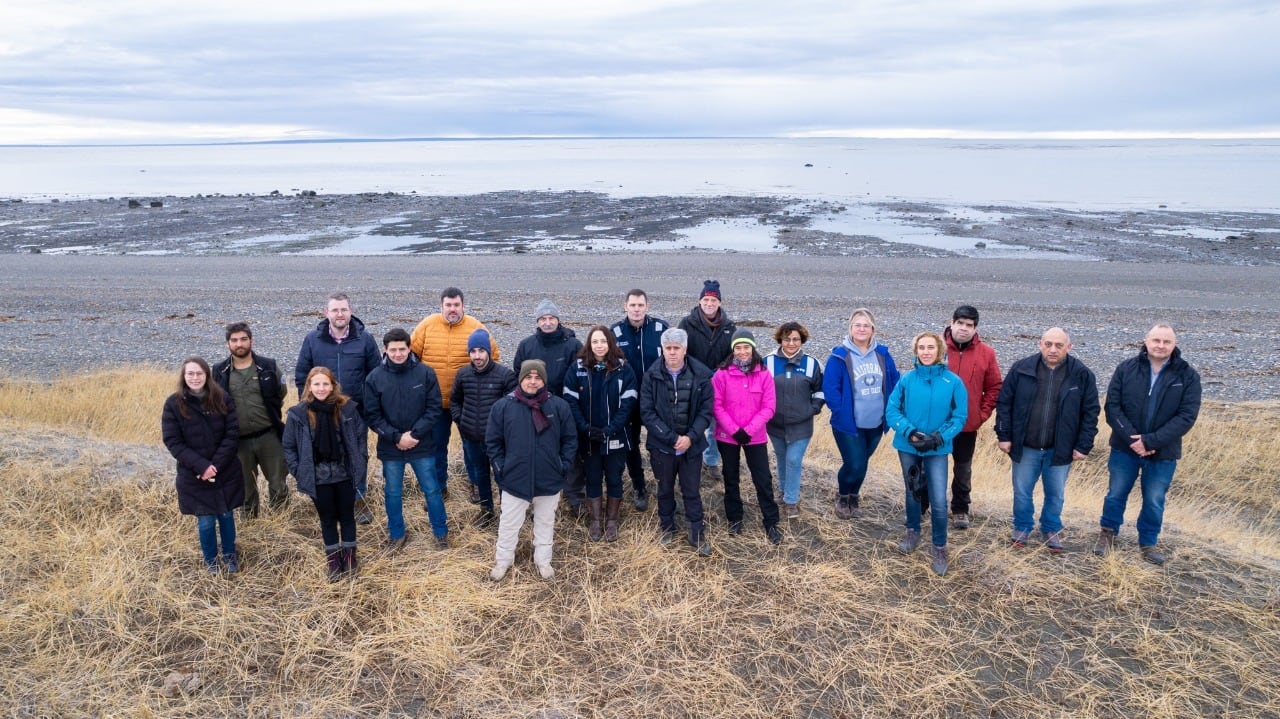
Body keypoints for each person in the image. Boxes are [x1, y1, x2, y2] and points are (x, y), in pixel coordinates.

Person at [1093, 324, 1201, 565]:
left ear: (1174, 344)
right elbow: (1112, 408)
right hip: (1125, 448)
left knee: (1154, 498)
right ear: (1146, 341)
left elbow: (1187, 416)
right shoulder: (1126, 369)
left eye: (1166, 342)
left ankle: (1148, 542)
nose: (1161, 345)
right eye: (1156, 340)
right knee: (1116, 493)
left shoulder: (1188, 375)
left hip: (1163, 452)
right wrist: (1134, 440)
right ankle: (1108, 534)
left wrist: (1150, 441)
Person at [995, 327, 1099, 552]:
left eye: (1059, 345)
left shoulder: (1082, 374)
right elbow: (1004, 403)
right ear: (1040, 344)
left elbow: (1090, 412)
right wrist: (1004, 435)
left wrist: (1083, 445)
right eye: (1048, 344)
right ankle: (1022, 527)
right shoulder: (1021, 369)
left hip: (1059, 448)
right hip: (1026, 446)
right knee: (1022, 491)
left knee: (1055, 493)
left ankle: (1051, 529)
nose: (1053, 349)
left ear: (1068, 347)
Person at [485, 360, 577, 581]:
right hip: (514, 479)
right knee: (509, 523)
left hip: (549, 479)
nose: (533, 381)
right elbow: (493, 442)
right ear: (521, 379)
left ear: (543, 381)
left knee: (545, 522)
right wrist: (501, 469)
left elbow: (570, 440)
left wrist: (562, 466)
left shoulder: (558, 406)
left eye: (538, 378)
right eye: (528, 377)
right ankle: (503, 561)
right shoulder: (504, 407)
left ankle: (543, 560)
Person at [886, 332, 968, 576]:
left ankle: (940, 546)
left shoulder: (953, 382)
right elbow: (892, 410)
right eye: (921, 347)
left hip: (937, 449)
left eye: (931, 347)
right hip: (908, 447)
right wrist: (910, 433)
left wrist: (939, 437)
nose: (926, 351)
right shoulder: (906, 380)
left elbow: (959, 417)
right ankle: (913, 531)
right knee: (913, 491)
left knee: (939, 500)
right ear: (916, 351)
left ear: (940, 350)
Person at [295, 292, 381, 524]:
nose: (339, 314)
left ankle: (358, 502)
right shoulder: (313, 340)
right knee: (327, 458)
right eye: (335, 310)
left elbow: (376, 377)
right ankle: (332, 505)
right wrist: (309, 409)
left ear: (350, 311)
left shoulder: (365, 339)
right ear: (326, 313)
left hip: (355, 414)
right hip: (323, 415)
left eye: (343, 309)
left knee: (358, 458)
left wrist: (369, 410)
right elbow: (302, 375)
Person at [410, 287, 500, 502]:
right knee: (437, 447)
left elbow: (493, 356)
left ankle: (477, 485)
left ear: (463, 306)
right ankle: (439, 487)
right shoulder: (427, 326)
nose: (452, 309)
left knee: (472, 447)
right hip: (434, 402)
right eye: (448, 305)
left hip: (468, 402)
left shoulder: (476, 327)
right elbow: (411, 355)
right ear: (441, 306)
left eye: (456, 305)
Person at [363, 328, 447, 552]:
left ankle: (440, 533)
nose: (398, 354)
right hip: (391, 447)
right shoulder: (374, 378)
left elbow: (434, 408)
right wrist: (396, 437)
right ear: (385, 350)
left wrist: (415, 434)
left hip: (422, 444)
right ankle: (397, 534)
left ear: (410, 348)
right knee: (392, 492)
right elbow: (372, 415)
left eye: (402, 349)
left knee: (431, 490)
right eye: (393, 350)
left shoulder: (425, 373)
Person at [162, 357, 247, 575]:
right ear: (184, 376)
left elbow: (232, 433)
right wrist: (201, 467)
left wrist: (215, 465)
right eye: (190, 373)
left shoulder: (221, 399)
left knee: (227, 516)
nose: (195, 377)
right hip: (194, 476)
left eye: (199, 373)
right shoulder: (173, 404)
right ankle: (211, 560)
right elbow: (173, 442)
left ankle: (229, 555)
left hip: (225, 470)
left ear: (207, 375)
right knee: (206, 520)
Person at [284, 366, 368, 582]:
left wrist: (360, 462)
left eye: (325, 384)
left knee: (347, 516)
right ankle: (333, 561)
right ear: (309, 386)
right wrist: (299, 472)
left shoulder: (347, 409)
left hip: (344, 474)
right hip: (318, 478)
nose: (321, 388)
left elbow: (360, 437)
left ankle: (350, 558)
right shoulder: (298, 414)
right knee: (327, 519)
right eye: (316, 384)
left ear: (333, 386)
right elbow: (289, 447)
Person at [639, 328, 715, 556]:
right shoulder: (651, 375)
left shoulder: (701, 374)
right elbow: (647, 411)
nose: (672, 353)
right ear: (663, 349)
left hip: (691, 445)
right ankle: (666, 526)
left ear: (685, 349)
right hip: (662, 445)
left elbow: (706, 410)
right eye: (668, 348)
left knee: (691, 489)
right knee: (664, 488)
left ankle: (696, 531)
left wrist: (690, 437)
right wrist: (671, 438)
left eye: (676, 348)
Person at [822, 308, 901, 519]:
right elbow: (830, 388)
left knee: (862, 463)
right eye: (857, 324)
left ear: (873, 329)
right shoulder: (839, 356)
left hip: (876, 422)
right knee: (854, 463)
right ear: (850, 328)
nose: (862, 329)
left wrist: (891, 410)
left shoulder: (882, 354)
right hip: (849, 423)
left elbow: (895, 381)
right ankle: (842, 495)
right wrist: (840, 412)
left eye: (866, 325)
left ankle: (854, 496)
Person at [563, 326, 639, 542]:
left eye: (603, 341)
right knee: (593, 477)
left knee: (614, 477)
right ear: (589, 344)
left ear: (610, 344)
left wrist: (610, 429)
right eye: (595, 341)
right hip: (589, 437)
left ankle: (612, 521)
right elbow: (570, 401)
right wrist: (584, 428)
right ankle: (596, 521)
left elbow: (628, 404)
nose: (599, 345)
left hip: (615, 435)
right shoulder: (577, 368)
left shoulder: (624, 369)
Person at [513, 298, 585, 515]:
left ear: (558, 320)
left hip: (566, 408)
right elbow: (518, 373)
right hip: (533, 408)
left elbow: (581, 376)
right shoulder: (527, 345)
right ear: (537, 321)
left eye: (551, 318)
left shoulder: (573, 345)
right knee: (539, 451)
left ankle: (574, 497)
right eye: (543, 318)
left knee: (570, 451)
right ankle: (536, 499)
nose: (547, 322)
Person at [212, 321, 289, 518]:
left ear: (251, 340)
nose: (239, 344)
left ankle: (281, 526)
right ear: (228, 344)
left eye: (243, 339)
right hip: (237, 441)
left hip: (269, 436)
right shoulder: (219, 372)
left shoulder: (268, 366)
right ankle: (251, 527)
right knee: (245, 489)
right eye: (234, 340)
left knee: (278, 485)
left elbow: (280, 393)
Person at [713, 329, 782, 543]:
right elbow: (716, 405)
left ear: (753, 348)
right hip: (727, 436)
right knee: (730, 478)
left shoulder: (763, 374)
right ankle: (735, 518)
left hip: (755, 436)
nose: (742, 352)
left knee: (763, 479)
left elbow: (769, 407)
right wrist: (734, 430)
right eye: (738, 348)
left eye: (746, 347)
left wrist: (749, 430)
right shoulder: (721, 374)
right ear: (732, 350)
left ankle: (771, 522)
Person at [942, 305, 1002, 529]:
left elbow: (995, 386)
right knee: (930, 466)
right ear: (952, 322)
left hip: (966, 425)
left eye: (969, 325)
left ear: (975, 328)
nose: (964, 329)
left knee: (963, 468)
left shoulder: (986, 353)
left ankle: (960, 509)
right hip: (935, 423)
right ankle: (923, 504)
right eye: (960, 323)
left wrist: (981, 414)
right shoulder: (935, 347)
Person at [450, 329, 517, 529]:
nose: (477, 356)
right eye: (473, 351)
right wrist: (461, 421)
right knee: (481, 476)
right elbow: (455, 400)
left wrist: (503, 432)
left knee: (502, 476)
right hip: (471, 438)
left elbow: (513, 409)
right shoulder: (463, 374)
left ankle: (508, 515)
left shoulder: (505, 376)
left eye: (481, 350)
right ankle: (487, 512)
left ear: (488, 351)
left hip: (497, 442)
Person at [610, 289, 669, 510]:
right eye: (632, 305)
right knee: (630, 445)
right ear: (625, 306)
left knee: (660, 443)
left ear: (647, 306)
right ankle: (639, 485)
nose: (636, 309)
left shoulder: (660, 328)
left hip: (655, 399)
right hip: (627, 400)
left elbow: (672, 358)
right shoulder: (614, 332)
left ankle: (665, 484)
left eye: (640, 305)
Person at [763, 321, 825, 520]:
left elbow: (820, 390)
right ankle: (783, 490)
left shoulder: (812, 363)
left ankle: (791, 501)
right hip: (775, 424)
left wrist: (814, 408)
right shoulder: (767, 362)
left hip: (801, 425)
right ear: (780, 339)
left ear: (802, 340)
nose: (791, 343)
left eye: (796, 339)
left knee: (793, 460)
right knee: (781, 458)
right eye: (787, 339)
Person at [678, 280, 737, 482]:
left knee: (715, 424)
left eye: (713, 300)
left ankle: (710, 461)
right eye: (706, 299)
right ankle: (688, 458)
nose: (709, 303)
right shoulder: (687, 323)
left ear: (719, 302)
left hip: (720, 383)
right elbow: (681, 351)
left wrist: (719, 372)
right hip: (692, 381)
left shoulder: (729, 326)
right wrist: (701, 372)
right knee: (691, 422)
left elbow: (733, 354)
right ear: (699, 301)